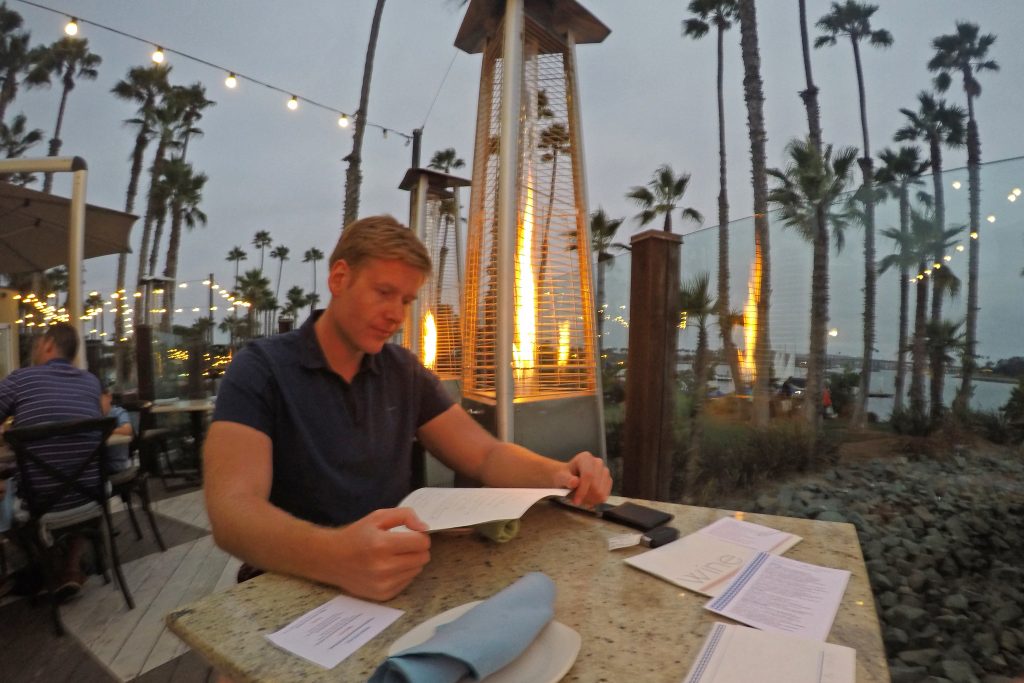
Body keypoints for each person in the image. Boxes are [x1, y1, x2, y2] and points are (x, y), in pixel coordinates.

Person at [205, 215, 612, 602]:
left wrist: (559, 473)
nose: (396, 316)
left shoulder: (402, 371)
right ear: (339, 278)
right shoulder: (262, 369)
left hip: (396, 574)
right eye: (384, 293)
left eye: (406, 300)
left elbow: (485, 455)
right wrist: (336, 555)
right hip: (286, 580)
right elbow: (232, 512)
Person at [0, 322, 103, 599]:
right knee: (71, 473)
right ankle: (70, 567)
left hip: (40, 501)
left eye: (36, 345)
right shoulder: (91, 382)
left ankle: (44, 565)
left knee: (6, 497)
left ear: (47, 345)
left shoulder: (21, 379)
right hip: (90, 496)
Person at [100, 386, 134, 474]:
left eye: (99, 399)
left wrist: (107, 431)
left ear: (109, 397)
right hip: (102, 463)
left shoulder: (118, 412)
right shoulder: (96, 416)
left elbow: (128, 430)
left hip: (118, 463)